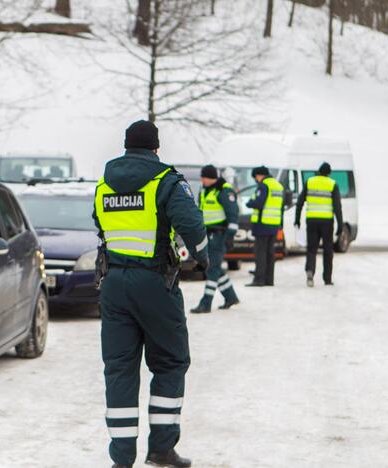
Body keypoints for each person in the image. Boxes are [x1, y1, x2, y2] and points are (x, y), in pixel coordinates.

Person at [93, 120, 208, 468]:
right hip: (155, 282)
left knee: (119, 368)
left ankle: (122, 457)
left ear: (126, 146)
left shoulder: (103, 184)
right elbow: (191, 225)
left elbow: (100, 226)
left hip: (112, 283)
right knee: (170, 361)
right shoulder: (166, 181)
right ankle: (161, 448)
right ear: (155, 148)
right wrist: (203, 258)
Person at [190, 164, 240, 313]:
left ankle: (206, 303)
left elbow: (233, 214)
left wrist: (230, 237)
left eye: (203, 177)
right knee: (215, 267)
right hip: (208, 234)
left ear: (211, 178)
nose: (201, 180)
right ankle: (230, 297)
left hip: (219, 234)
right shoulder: (205, 190)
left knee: (212, 268)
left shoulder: (224, 190)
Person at [294, 162, 343, 287]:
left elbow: (299, 202)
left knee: (311, 249)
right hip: (327, 222)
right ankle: (327, 278)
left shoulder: (309, 182)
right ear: (329, 172)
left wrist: (297, 219)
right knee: (327, 250)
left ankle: (310, 272)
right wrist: (340, 225)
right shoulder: (332, 184)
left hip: (312, 220)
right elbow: (337, 207)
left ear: (318, 171)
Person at [245, 166, 284, 287]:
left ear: (259, 175)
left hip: (262, 224)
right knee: (270, 253)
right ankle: (269, 279)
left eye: (255, 177)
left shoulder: (263, 185)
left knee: (260, 253)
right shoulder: (278, 186)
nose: (256, 180)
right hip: (274, 224)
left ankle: (259, 279)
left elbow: (259, 202)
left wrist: (249, 203)